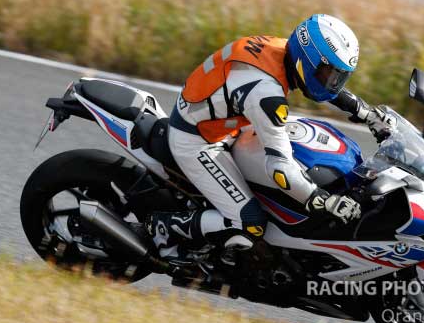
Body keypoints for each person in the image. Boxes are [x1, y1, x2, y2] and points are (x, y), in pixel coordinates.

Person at [146, 14, 395, 261]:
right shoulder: (267, 95)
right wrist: (322, 200)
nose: (334, 83)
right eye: (329, 74)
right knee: (249, 224)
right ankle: (165, 228)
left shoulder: (285, 50)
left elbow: (326, 89)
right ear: (308, 62)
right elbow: (280, 169)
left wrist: (366, 114)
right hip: (197, 138)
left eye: (339, 77)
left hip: (227, 121)